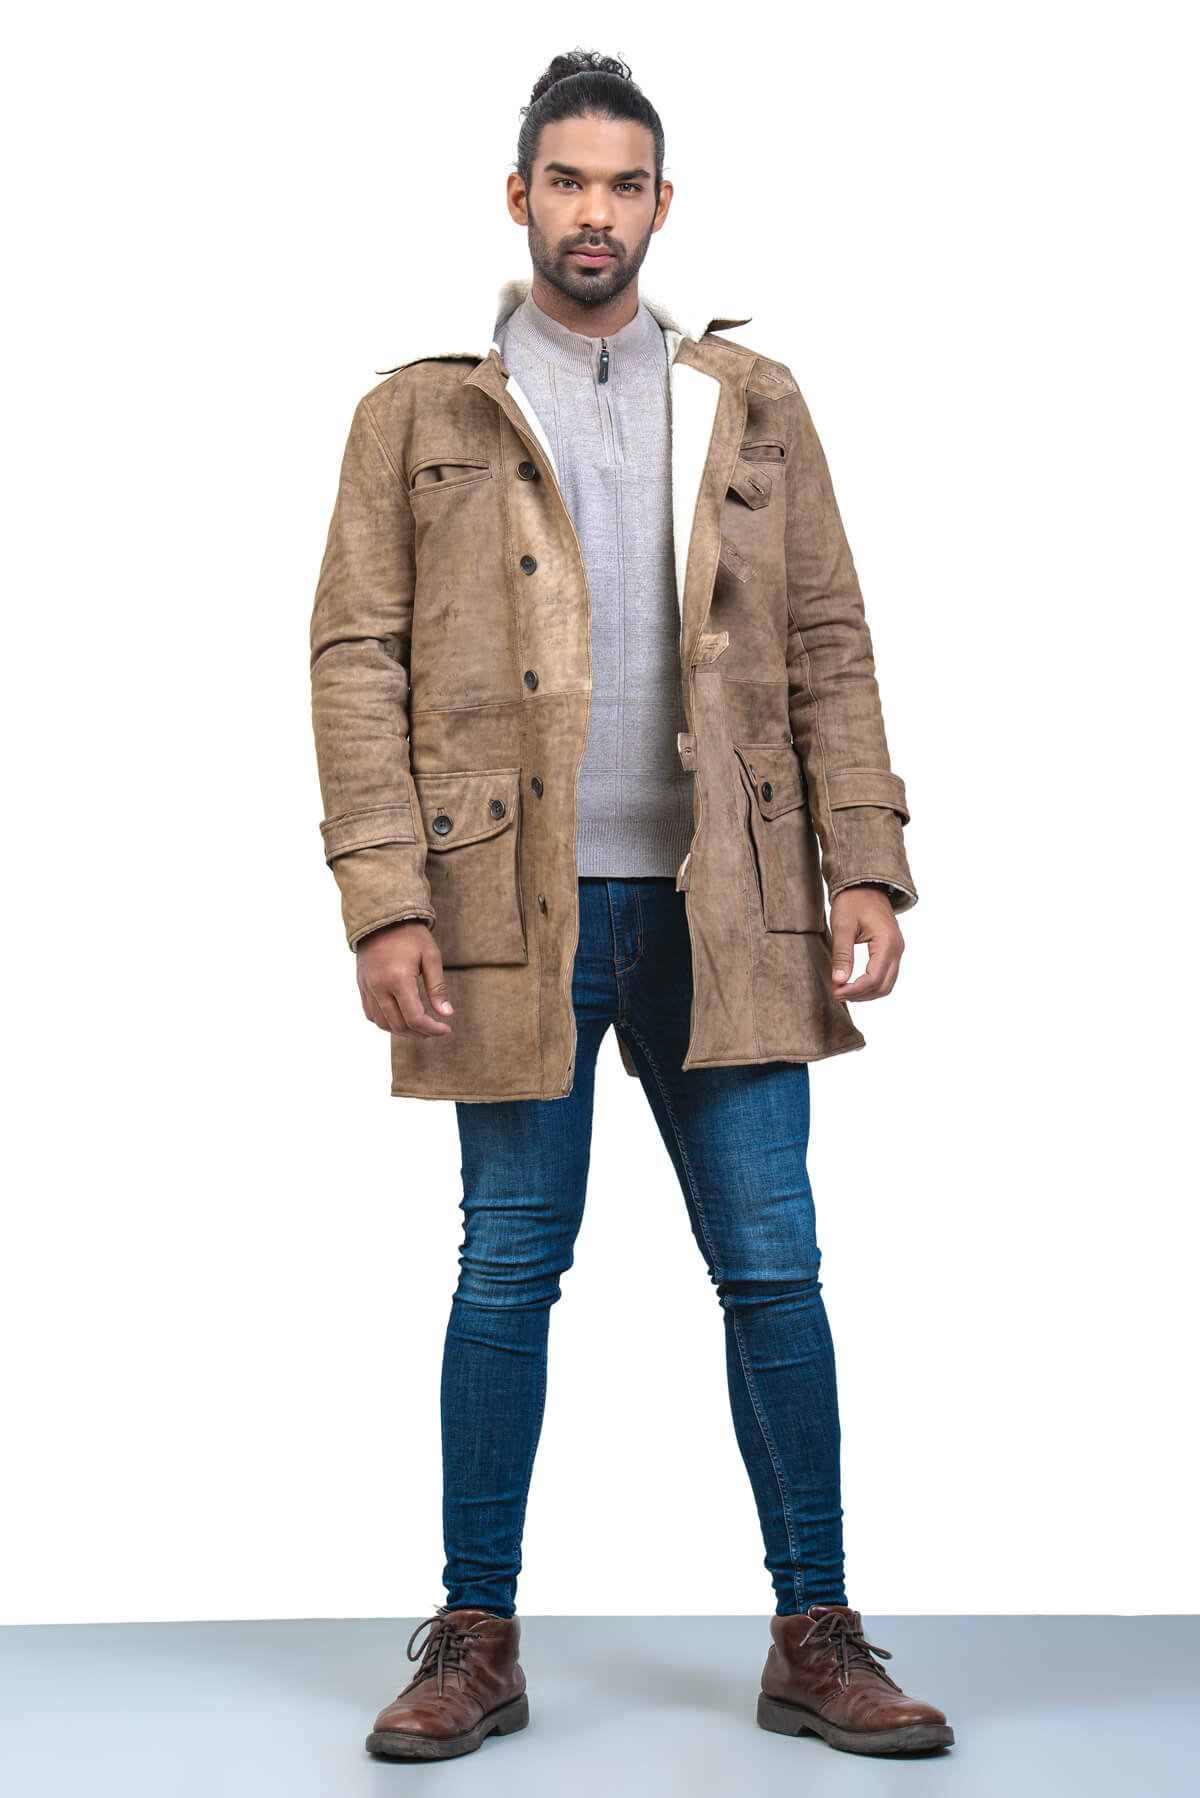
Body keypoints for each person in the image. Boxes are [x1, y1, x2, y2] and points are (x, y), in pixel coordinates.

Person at [309, 47, 953, 1764]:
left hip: (723, 901)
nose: (594, 213)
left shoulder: (751, 399)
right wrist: (382, 895)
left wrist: (866, 856)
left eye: (623, 184)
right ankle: (475, 1636)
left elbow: (829, 640)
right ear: (518, 196)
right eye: (567, 182)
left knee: (775, 1266)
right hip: (505, 909)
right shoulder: (418, 416)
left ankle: (816, 1631)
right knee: (508, 1267)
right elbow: (355, 658)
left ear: (663, 203)